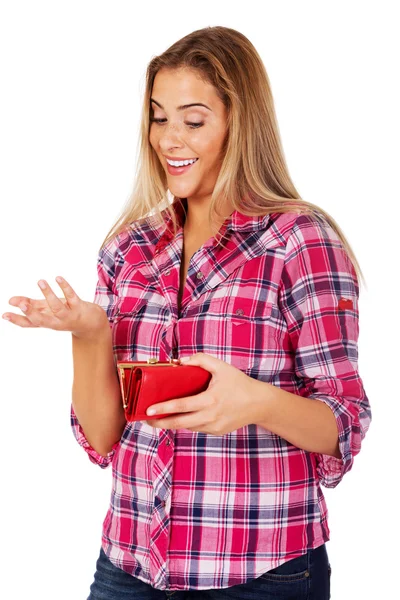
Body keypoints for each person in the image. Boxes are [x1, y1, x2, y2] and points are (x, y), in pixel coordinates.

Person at [3, 26, 372, 600]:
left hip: (263, 573)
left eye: (193, 121)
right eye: (158, 117)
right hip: (129, 568)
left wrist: (255, 400)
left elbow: (344, 424)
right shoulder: (128, 250)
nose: (169, 139)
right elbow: (103, 438)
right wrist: (89, 333)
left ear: (238, 125)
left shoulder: (298, 241)